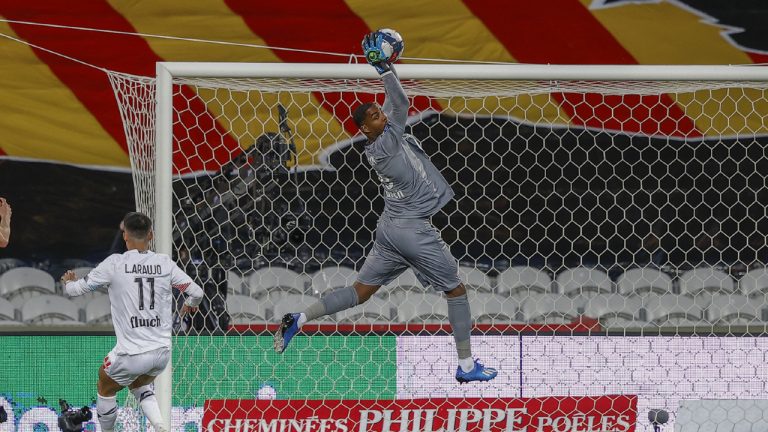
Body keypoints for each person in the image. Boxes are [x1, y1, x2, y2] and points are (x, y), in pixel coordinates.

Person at [275, 32, 497, 383]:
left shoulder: (382, 142)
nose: (383, 114)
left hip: (391, 228)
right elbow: (400, 99)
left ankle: (298, 319)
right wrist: (383, 67)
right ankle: (467, 366)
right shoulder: (388, 141)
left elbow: (394, 106)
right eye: (376, 115)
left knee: (360, 293)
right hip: (411, 228)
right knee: (456, 291)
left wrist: (385, 68)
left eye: (380, 112)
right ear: (366, 129)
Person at [60, 212, 204, 432]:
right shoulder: (165, 263)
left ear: (124, 235)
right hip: (161, 354)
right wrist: (190, 304)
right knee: (140, 384)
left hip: (131, 354)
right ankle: (161, 427)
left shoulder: (114, 264)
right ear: (151, 235)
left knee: (104, 385)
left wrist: (68, 282)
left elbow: (75, 290)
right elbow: (196, 292)